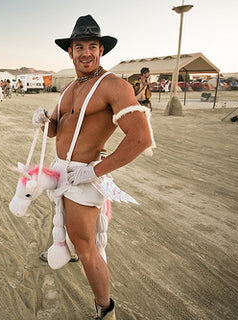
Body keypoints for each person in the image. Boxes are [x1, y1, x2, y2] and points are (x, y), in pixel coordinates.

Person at [32, 15, 155, 320]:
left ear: (101, 51)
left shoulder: (114, 85)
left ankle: (106, 308)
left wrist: (94, 171)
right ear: (69, 52)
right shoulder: (69, 87)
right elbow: (56, 132)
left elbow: (141, 138)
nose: (85, 52)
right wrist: (44, 121)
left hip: (85, 175)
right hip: (62, 171)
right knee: (67, 227)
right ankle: (63, 248)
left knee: (88, 248)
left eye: (92, 46)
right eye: (79, 46)